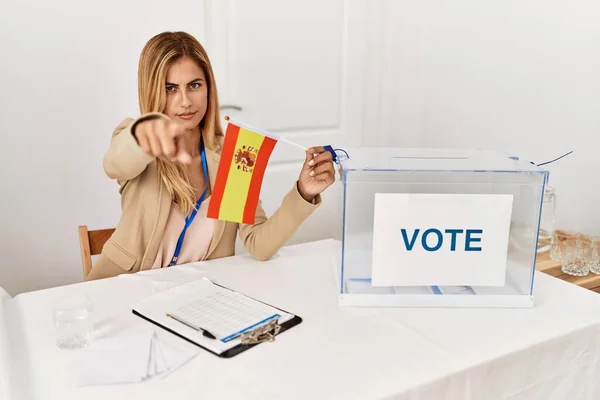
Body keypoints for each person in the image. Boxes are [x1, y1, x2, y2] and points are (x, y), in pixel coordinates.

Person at [86, 31, 335, 281]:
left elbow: (259, 244)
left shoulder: (234, 155)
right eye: (170, 88)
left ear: (208, 88)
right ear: (152, 91)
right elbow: (115, 165)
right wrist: (142, 135)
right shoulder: (137, 138)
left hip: (198, 297)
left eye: (194, 85)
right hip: (122, 290)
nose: (185, 102)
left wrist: (304, 192)